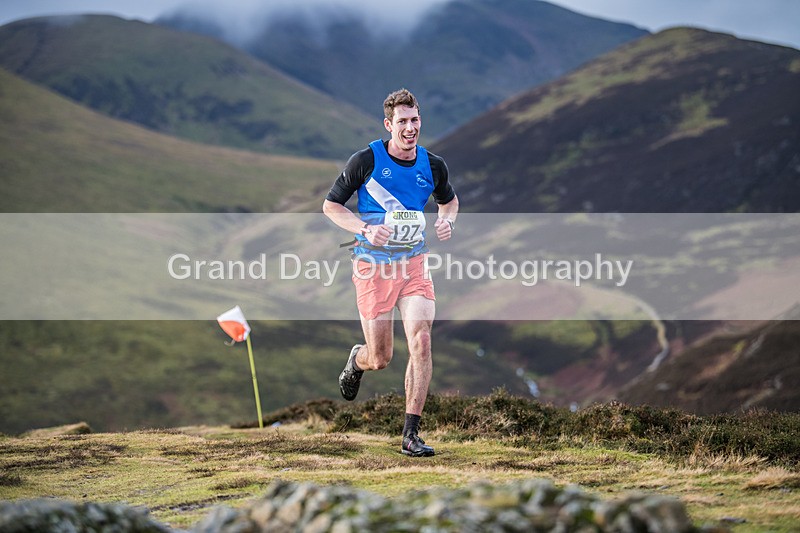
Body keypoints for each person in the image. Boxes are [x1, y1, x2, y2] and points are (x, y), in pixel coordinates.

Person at [322, 88, 459, 457]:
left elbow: (449, 200)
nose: (410, 128)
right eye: (402, 122)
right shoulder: (367, 159)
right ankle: (358, 359)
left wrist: (446, 221)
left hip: (414, 263)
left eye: (415, 120)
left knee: (422, 339)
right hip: (373, 266)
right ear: (389, 124)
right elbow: (331, 205)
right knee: (381, 357)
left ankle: (410, 435)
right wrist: (364, 229)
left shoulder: (433, 165)